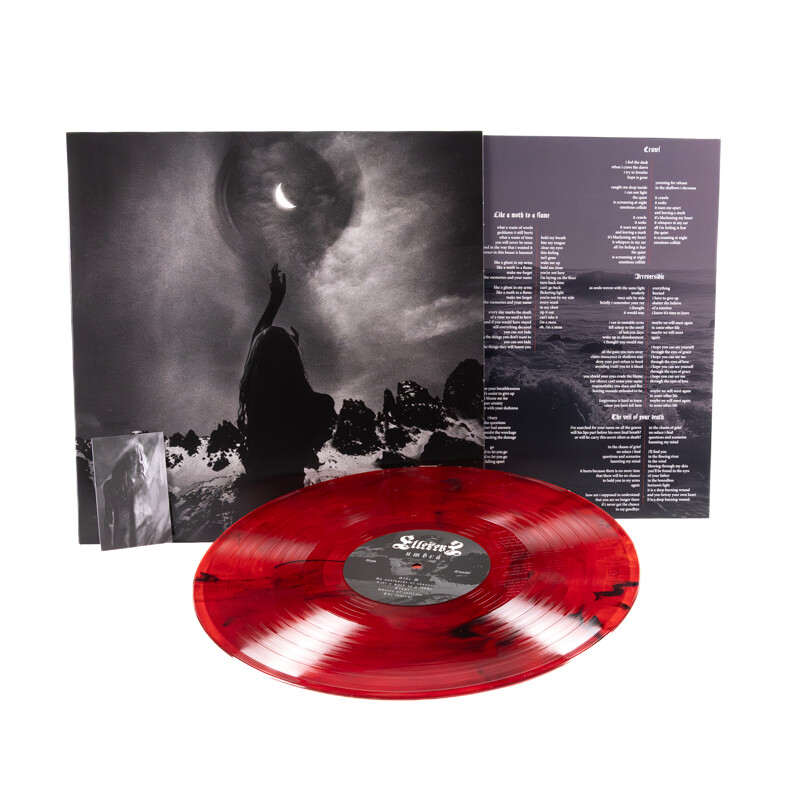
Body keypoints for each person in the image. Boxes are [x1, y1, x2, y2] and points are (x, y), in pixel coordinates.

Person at [237, 264, 336, 502]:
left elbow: (258, 344)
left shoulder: (256, 402)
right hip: (288, 501)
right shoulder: (317, 406)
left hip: (254, 500)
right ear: (294, 362)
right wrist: (295, 353)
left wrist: (275, 299)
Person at [101, 440, 149, 549]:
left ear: (139, 456)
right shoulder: (109, 486)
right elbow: (108, 519)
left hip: (140, 537)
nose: (131, 458)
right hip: (119, 539)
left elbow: (151, 516)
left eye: (134, 453)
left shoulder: (142, 484)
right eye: (127, 454)